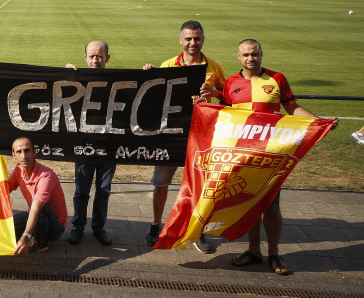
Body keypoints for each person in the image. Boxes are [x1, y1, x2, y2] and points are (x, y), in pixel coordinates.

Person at [207, 39, 335, 275]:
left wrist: (318, 122)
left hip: (271, 153)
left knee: (272, 208)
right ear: (238, 56)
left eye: (254, 54)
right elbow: (225, 114)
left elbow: (292, 107)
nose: (250, 58)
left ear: (261, 54)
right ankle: (254, 251)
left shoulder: (277, 79)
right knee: (250, 204)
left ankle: (274, 253)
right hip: (243, 154)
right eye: (246, 54)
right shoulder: (232, 83)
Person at [142, 20, 226, 252]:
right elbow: (154, 95)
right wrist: (148, 75)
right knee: (160, 182)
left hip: (202, 135)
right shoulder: (169, 65)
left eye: (197, 38)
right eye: (188, 38)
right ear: (181, 40)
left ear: (203, 40)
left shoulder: (214, 67)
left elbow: (228, 97)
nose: (193, 42)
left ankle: (196, 229)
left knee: (201, 185)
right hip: (172, 134)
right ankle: (155, 225)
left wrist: (215, 92)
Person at [64, 40, 116, 246]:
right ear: (85, 57)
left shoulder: (118, 80)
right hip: (84, 144)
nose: (96, 60)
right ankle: (78, 225)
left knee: (104, 190)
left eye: (100, 56)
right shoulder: (78, 79)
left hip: (109, 144)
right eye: (92, 56)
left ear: (107, 58)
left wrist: (148, 73)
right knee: (81, 189)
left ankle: (98, 227)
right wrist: (64, 73)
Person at [7, 136, 68, 254]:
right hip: (34, 213)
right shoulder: (18, 169)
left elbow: (36, 208)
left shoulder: (46, 175)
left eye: (27, 150)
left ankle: (40, 242)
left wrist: (24, 238)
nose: (24, 156)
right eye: (19, 152)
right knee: (7, 227)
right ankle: (32, 232)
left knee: (38, 205)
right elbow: (5, 189)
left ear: (34, 152)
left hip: (55, 227)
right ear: (14, 155)